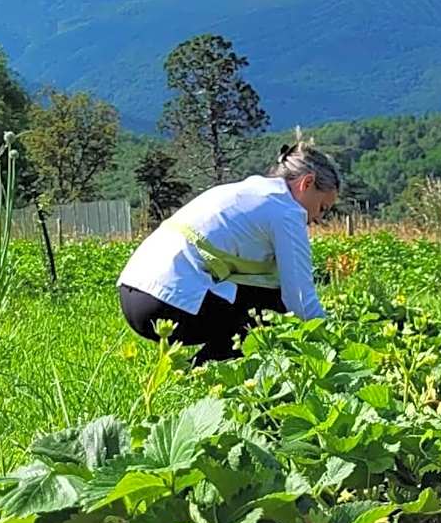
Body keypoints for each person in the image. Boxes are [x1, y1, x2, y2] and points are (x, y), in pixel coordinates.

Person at [117, 143, 339, 363]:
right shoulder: (287, 212)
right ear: (307, 183)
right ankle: (200, 376)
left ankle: (196, 371)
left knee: (268, 301)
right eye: (322, 207)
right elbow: (299, 300)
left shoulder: (252, 192)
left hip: (134, 291)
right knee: (270, 317)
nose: (319, 218)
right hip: (164, 301)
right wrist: (336, 344)